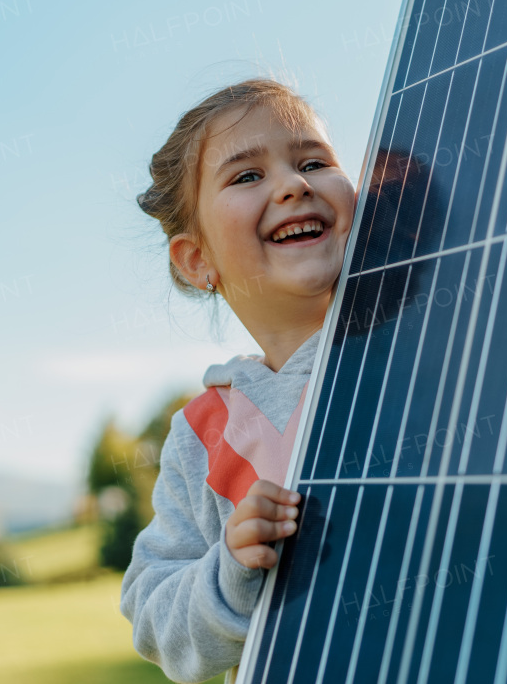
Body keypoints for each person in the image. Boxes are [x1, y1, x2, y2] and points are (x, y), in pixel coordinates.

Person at [120, 78, 358, 684]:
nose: (293, 184)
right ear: (198, 260)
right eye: (247, 176)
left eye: (314, 162)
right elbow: (153, 617)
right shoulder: (201, 435)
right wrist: (229, 570)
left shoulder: (426, 355)